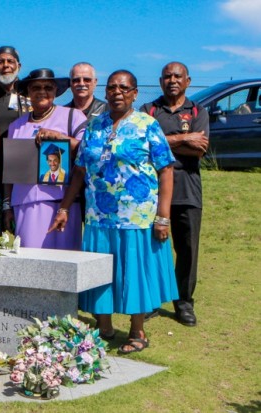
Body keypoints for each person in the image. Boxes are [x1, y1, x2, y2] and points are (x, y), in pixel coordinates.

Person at [50, 70, 179, 354]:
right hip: (98, 217)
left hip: (138, 217)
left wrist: (163, 216)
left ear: (135, 93)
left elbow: (166, 170)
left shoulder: (148, 125)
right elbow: (80, 171)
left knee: (134, 273)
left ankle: (137, 331)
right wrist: (64, 207)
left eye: (124, 87)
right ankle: (104, 327)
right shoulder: (94, 126)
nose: (117, 92)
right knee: (99, 273)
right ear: (105, 92)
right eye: (112, 87)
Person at [141, 62, 209, 327]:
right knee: (154, 249)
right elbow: (144, 143)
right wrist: (183, 139)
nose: (172, 80)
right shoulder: (149, 110)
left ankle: (184, 304)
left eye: (177, 76)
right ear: (160, 81)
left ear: (188, 81)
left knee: (187, 249)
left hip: (187, 190)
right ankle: (153, 301)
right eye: (167, 76)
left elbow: (200, 149)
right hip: (152, 191)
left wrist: (162, 140)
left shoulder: (197, 111)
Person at [3, 68, 86, 249]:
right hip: (25, 203)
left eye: (48, 87)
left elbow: (86, 151)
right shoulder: (16, 126)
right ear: (28, 92)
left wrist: (59, 137)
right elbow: (10, 170)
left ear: (56, 91)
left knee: (64, 262)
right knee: (31, 261)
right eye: (36, 88)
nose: (42, 91)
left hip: (63, 204)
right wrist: (7, 205)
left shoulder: (73, 116)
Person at [0, 46, 31, 205]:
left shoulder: (31, 94)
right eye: (0, 62)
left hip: (24, 164)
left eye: (10, 61)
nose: (6, 65)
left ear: (19, 66)